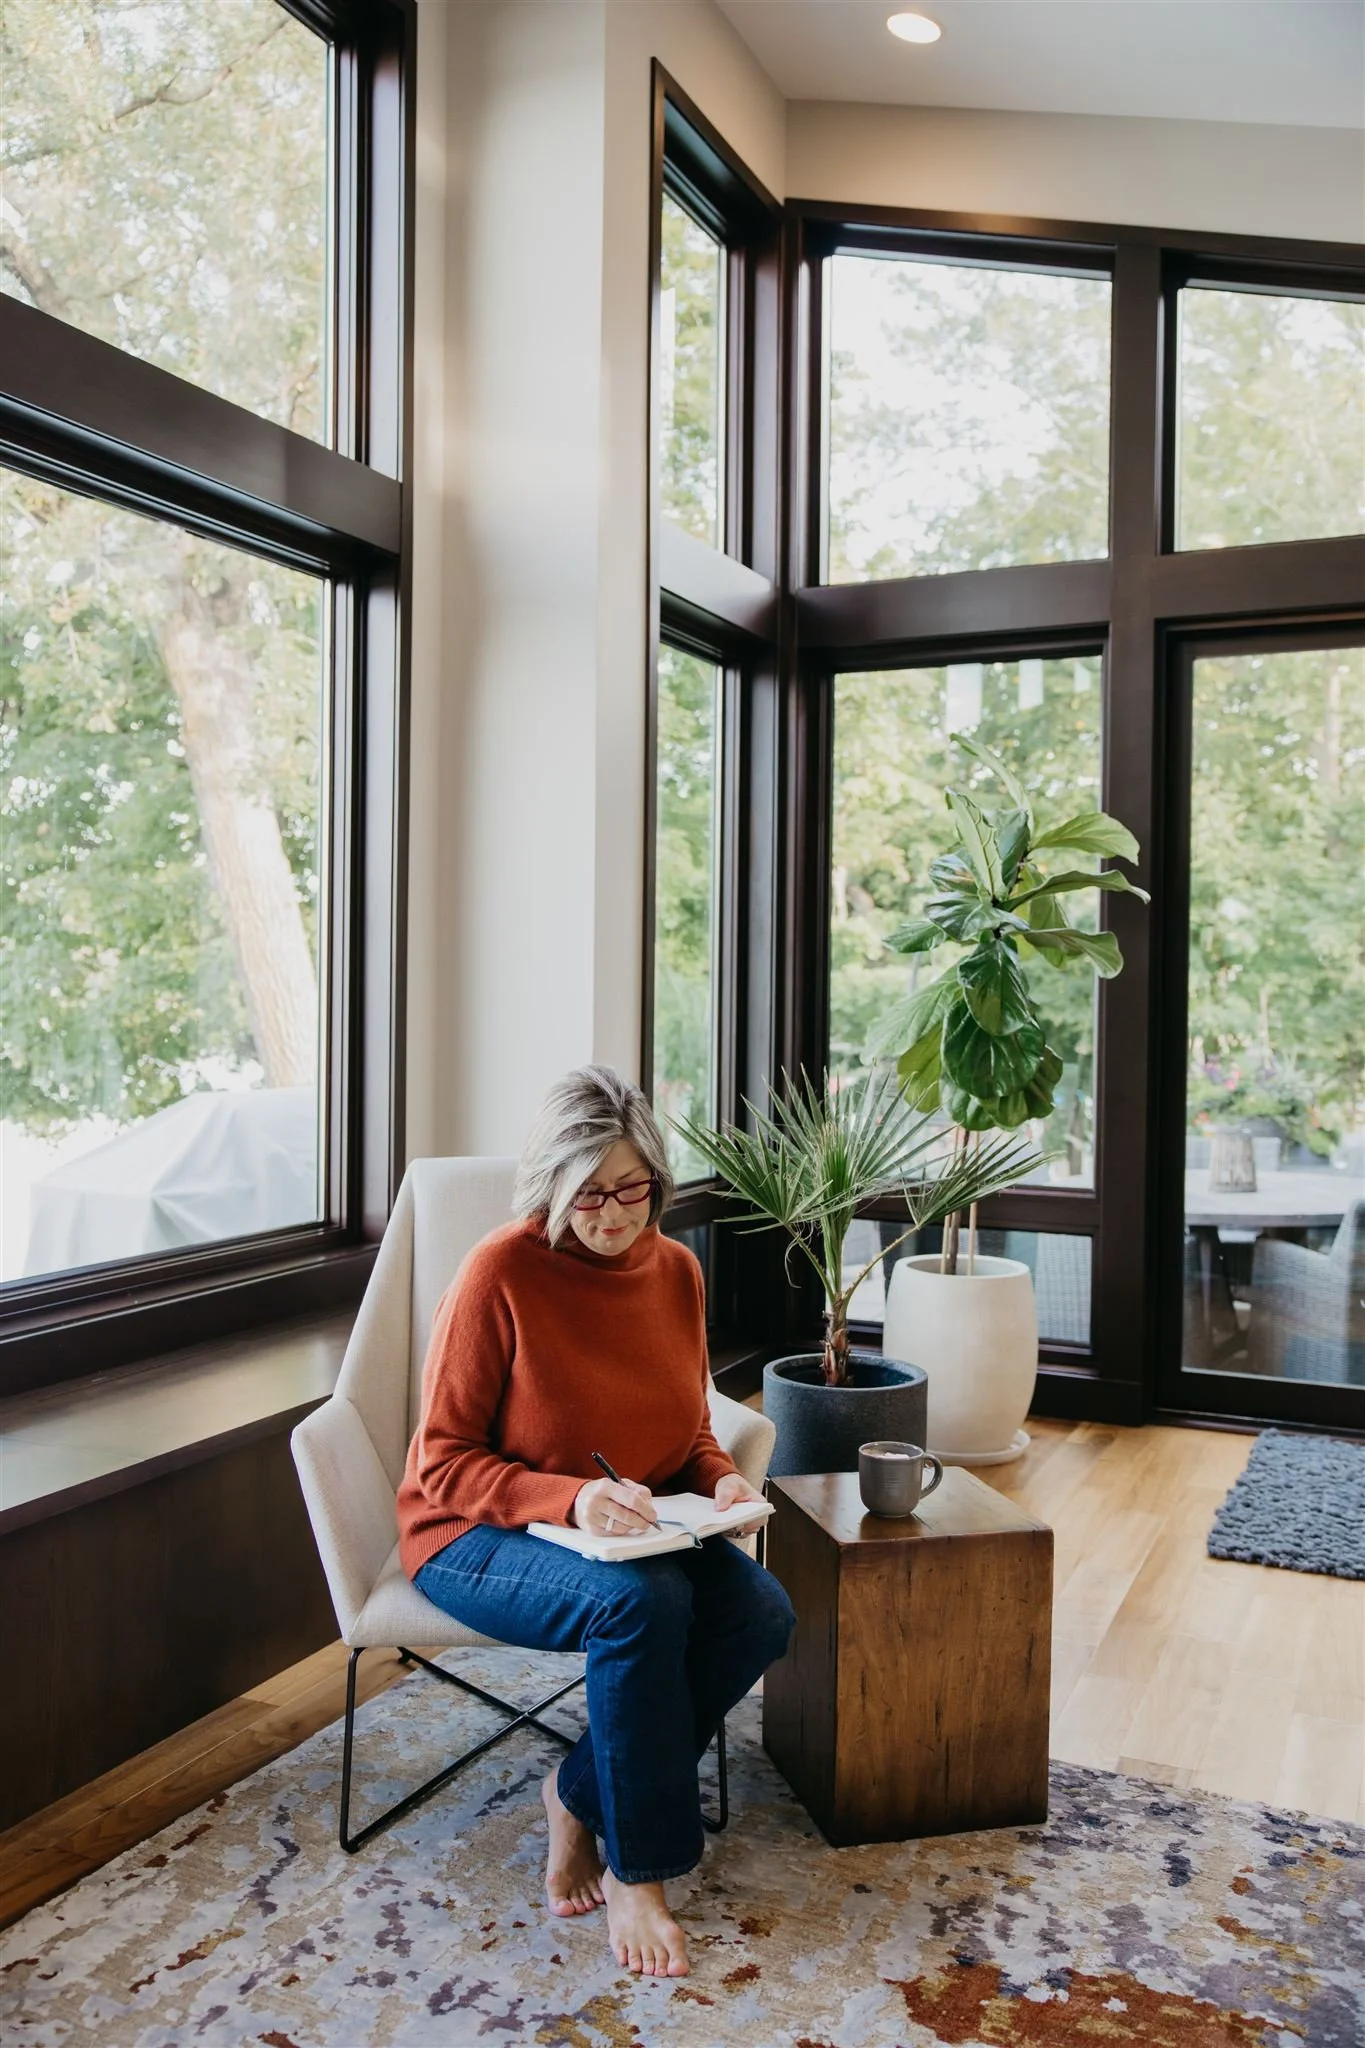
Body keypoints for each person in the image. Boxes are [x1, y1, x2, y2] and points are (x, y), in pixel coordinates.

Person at [398, 1065, 795, 1980]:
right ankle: (637, 1869)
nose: (613, 1216)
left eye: (632, 1188)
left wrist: (724, 1482)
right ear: (551, 1186)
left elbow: (689, 1428)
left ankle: (574, 1793)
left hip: (630, 1531)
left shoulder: (676, 1273)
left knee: (761, 1612)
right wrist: (570, 1497)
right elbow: (441, 1462)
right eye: (588, 1195)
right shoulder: (500, 1271)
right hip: (468, 1536)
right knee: (642, 1604)